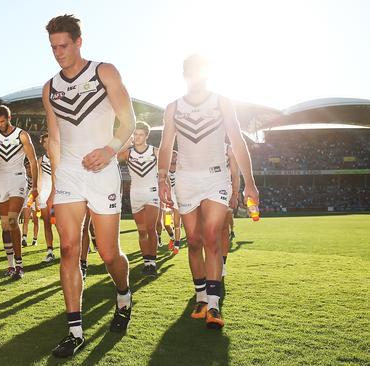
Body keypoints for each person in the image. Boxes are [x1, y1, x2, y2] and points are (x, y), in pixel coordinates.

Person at [43, 14, 136, 358]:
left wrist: (110, 149)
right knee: (69, 249)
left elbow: (129, 119)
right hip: (68, 173)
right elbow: (54, 138)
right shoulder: (49, 87)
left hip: (103, 170)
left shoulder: (104, 72)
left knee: (109, 253)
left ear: (79, 41)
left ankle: (124, 294)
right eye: (53, 47)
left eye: (64, 45)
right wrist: (54, 182)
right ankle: (74, 331)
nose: (58, 52)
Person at [158, 54, 259, 329]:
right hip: (186, 179)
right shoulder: (173, 107)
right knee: (193, 240)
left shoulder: (222, 102)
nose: (196, 77)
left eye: (200, 72)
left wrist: (250, 182)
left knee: (212, 236)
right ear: (185, 75)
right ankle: (200, 296)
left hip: (216, 178)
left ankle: (213, 305)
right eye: (191, 72)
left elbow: (237, 141)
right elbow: (166, 145)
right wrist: (162, 177)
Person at [0, 105, 39, 280]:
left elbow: (33, 160)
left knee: (13, 220)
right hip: (1, 180)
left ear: (9, 118)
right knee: (5, 225)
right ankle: (10, 265)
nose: (0, 124)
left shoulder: (22, 135)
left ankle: (20, 265)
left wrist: (35, 186)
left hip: (18, 179)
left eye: (2, 121)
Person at [118, 122, 160, 276]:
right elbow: (114, 157)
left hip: (152, 193)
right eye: (135, 134)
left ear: (147, 136)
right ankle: (146, 262)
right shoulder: (128, 153)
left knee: (150, 228)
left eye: (140, 135)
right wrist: (127, 142)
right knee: (141, 231)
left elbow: (164, 171)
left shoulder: (155, 151)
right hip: (135, 193)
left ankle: (153, 263)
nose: (137, 137)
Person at [222, 143, 240, 277]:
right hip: (200, 190)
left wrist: (234, 193)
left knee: (222, 229)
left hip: (223, 190)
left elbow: (235, 173)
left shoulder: (228, 149)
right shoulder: (196, 144)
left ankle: (222, 264)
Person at [39, 133, 57, 264]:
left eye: (49, 140)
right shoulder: (41, 160)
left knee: (59, 223)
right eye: (45, 141)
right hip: (45, 194)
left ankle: (68, 249)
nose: (47, 143)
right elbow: (39, 179)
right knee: (47, 223)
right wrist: (38, 196)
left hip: (59, 193)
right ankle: (50, 251)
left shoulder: (61, 156)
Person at [21, 160, 39, 247]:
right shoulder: (23, 178)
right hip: (28, 200)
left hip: (37, 200)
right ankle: (24, 238)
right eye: (27, 168)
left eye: (30, 168)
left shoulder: (38, 178)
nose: (29, 170)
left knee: (36, 221)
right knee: (26, 219)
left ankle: (35, 239)